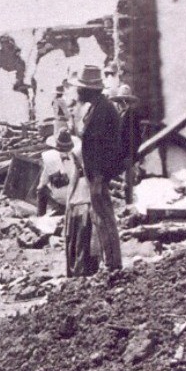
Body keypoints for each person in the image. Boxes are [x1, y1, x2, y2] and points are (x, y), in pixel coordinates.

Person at [71, 64, 123, 271]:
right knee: (100, 217)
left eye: (80, 88)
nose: (77, 91)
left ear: (88, 90)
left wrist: (100, 176)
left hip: (99, 174)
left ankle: (112, 263)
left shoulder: (102, 110)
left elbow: (103, 147)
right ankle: (109, 260)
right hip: (95, 173)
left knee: (105, 218)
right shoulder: (96, 107)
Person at [61, 130, 99, 277]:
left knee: (80, 240)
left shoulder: (83, 175)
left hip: (81, 207)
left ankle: (79, 269)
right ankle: (81, 269)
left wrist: (70, 202)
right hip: (80, 206)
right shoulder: (80, 172)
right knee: (79, 240)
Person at [36, 130, 81, 216]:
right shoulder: (77, 159)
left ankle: (40, 216)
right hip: (75, 198)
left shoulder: (51, 160)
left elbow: (42, 183)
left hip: (61, 198)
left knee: (41, 190)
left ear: (56, 147)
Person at [112, 84, 142, 205]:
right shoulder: (121, 114)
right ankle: (126, 201)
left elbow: (135, 137)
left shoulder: (131, 115)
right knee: (124, 180)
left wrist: (131, 153)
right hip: (122, 152)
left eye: (122, 101)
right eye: (119, 101)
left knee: (128, 180)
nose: (120, 104)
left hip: (128, 152)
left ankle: (129, 204)